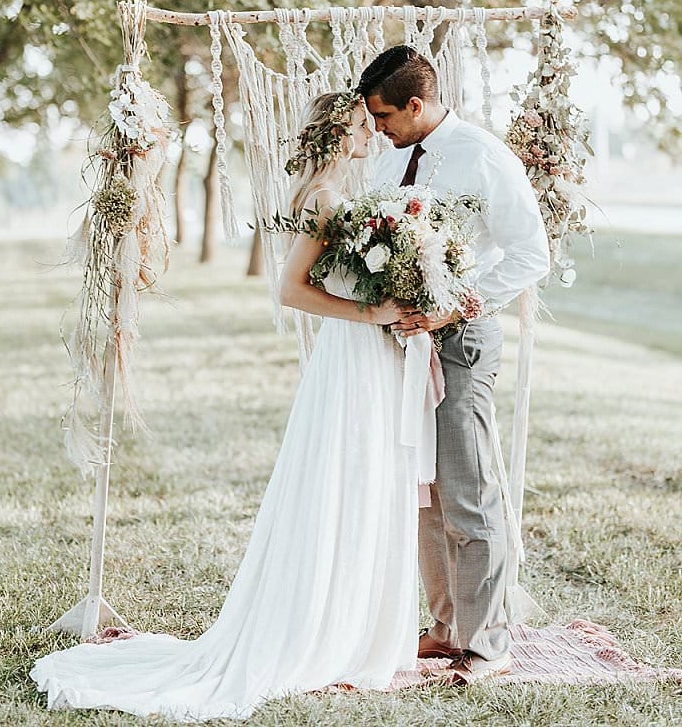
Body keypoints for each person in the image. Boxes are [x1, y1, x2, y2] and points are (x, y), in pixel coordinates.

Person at [31, 91, 424, 721]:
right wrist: (372, 310)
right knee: (344, 474)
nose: (371, 134)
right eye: (358, 125)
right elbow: (292, 289)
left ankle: (357, 625)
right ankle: (325, 629)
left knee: (367, 475)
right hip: (351, 353)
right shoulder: (321, 199)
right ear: (334, 131)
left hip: (366, 355)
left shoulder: (341, 191)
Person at [357, 45, 550, 685]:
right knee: (424, 494)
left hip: (462, 340)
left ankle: (488, 644)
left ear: (416, 104)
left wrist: (450, 307)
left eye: (384, 116)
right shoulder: (391, 162)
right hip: (403, 348)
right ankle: (445, 628)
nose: (377, 128)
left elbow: (529, 256)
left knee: (468, 491)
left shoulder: (485, 157)